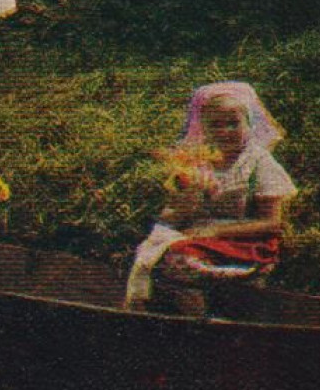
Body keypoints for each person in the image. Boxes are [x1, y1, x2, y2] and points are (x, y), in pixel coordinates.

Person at [124, 82, 297, 308]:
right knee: (152, 252)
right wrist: (189, 196)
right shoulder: (201, 161)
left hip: (246, 240)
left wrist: (215, 230)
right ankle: (177, 309)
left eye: (233, 124)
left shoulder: (258, 163)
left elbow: (272, 223)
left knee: (178, 259)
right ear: (204, 129)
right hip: (204, 234)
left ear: (249, 123)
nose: (225, 131)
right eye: (216, 125)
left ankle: (199, 312)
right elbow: (173, 213)